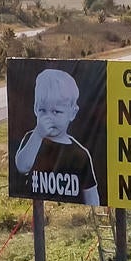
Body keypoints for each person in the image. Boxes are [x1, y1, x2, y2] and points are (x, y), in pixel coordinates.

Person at [14, 68, 100, 205]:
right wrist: (38, 135)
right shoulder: (32, 138)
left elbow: (91, 195)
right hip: (39, 207)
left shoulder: (80, 154)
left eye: (56, 112)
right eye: (43, 110)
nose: (49, 118)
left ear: (72, 113)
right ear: (35, 108)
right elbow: (22, 166)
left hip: (71, 216)